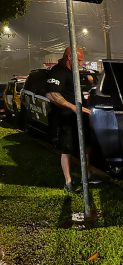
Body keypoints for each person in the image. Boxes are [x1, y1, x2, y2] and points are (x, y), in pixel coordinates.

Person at [46, 47, 98, 193]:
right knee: (66, 148)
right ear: (69, 57)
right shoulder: (58, 71)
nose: (82, 62)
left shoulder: (72, 72)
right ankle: (68, 182)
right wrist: (73, 107)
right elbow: (51, 94)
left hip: (78, 115)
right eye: (80, 59)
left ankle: (87, 175)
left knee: (87, 144)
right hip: (64, 117)